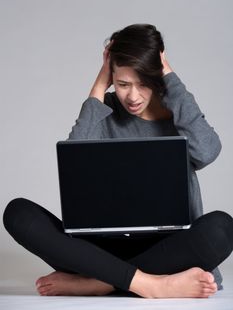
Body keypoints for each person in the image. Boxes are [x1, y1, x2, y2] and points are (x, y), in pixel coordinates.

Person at [3, 24, 233, 299]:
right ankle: (152, 285)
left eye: (144, 84)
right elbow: (75, 163)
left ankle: (99, 283)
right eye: (123, 84)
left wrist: (171, 79)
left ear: (158, 75)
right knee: (18, 213)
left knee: (221, 228)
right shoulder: (104, 111)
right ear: (112, 76)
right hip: (101, 250)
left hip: (168, 248)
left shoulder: (178, 111)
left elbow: (207, 152)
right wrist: (100, 82)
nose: (132, 97)